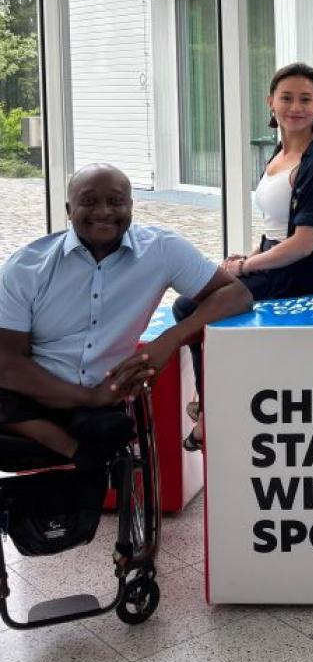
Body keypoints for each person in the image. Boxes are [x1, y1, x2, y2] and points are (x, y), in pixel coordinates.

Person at [0, 164, 252, 469]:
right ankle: (73, 450)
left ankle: (76, 452)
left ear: (131, 206)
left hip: (107, 393)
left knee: (110, 430)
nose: (104, 211)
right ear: (69, 209)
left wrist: (167, 341)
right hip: (38, 391)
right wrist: (88, 398)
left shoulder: (160, 250)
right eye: (89, 202)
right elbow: (8, 363)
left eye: (116, 201)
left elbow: (237, 294)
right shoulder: (27, 267)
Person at [176, 63, 313, 450]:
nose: (295, 107)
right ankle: (212, 401)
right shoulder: (279, 151)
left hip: (302, 271)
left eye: (306, 99)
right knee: (193, 294)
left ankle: (209, 410)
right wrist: (246, 255)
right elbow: (275, 226)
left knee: (189, 307)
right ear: (270, 102)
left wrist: (245, 267)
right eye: (286, 98)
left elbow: (303, 243)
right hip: (274, 258)